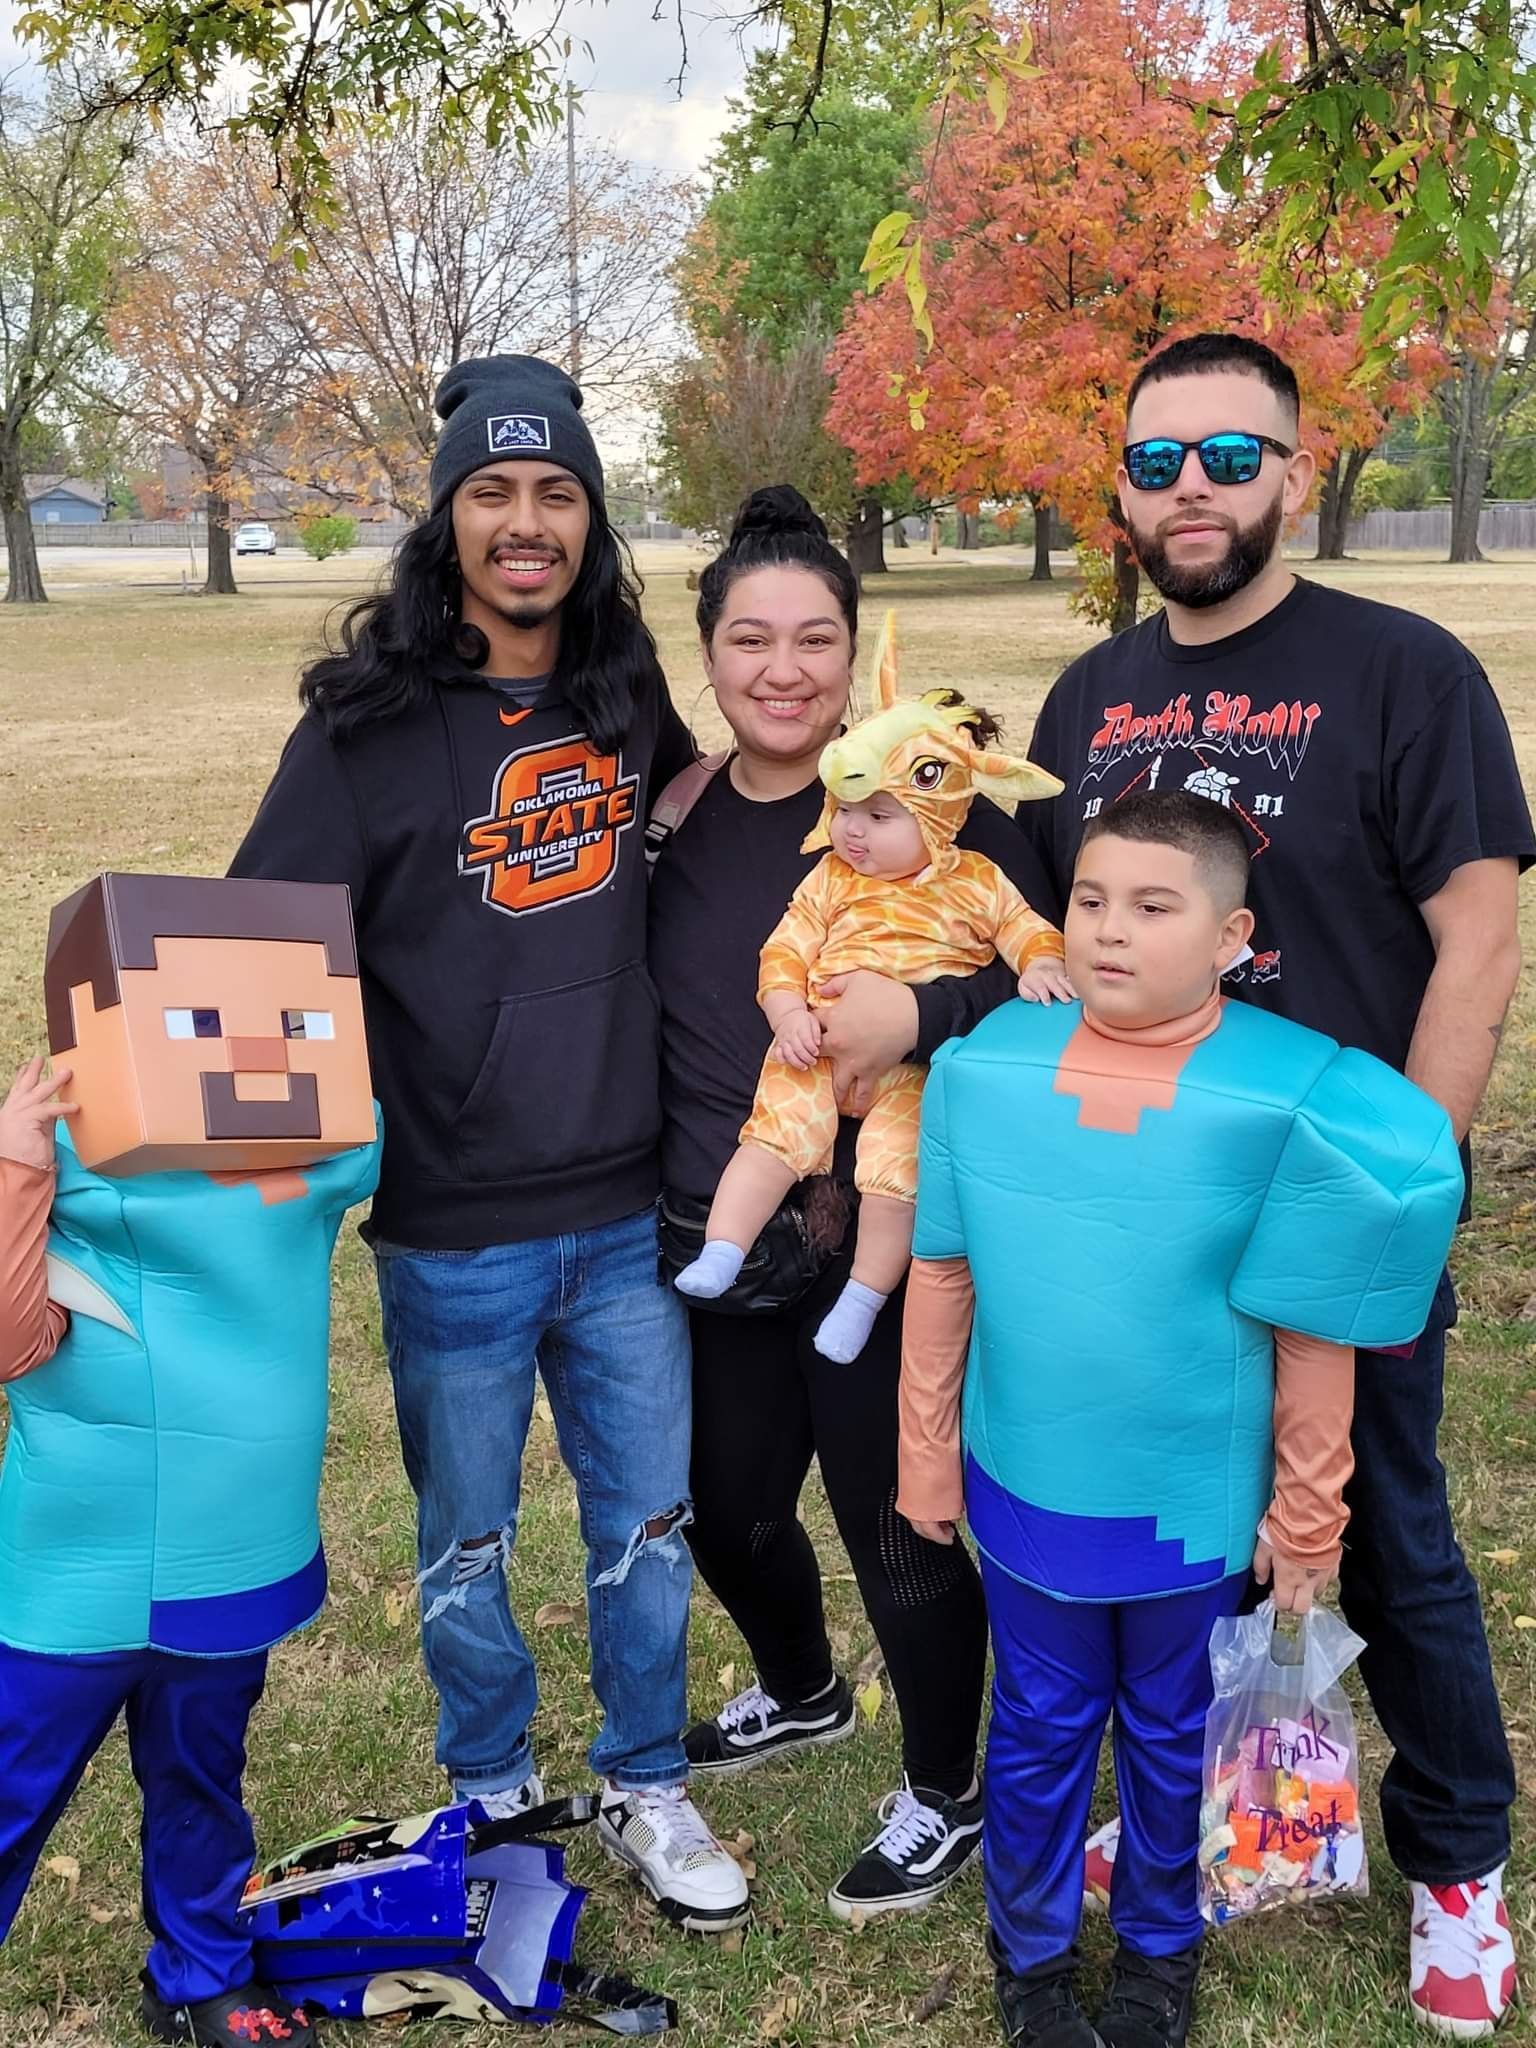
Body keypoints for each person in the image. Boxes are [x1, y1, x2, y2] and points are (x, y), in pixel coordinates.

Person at [1017, 331, 1533, 2038]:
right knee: (1188, 1548)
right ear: (1122, 490)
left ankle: (1457, 1869)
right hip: (1136, 1234)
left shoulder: (1404, 671)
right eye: (1158, 463)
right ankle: (1228, 1821)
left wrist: (1409, 1176)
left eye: (1230, 458)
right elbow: (1048, 951)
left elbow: (1474, 931)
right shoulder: (1089, 698)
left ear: (1297, 473)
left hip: (1326, 1210)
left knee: (1381, 1540)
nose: (1192, 492)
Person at [228, 354, 749, 1935]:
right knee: (463, 1543)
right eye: (494, 493)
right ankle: (495, 1788)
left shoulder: (623, 697)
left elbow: (725, 857)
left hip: (627, 1209)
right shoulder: (363, 727)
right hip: (451, 1219)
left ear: (589, 521)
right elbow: (260, 944)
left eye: (559, 495)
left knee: (647, 1526)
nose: (527, 524)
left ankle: (648, 1775)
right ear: (448, 518)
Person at [898, 793, 1464, 2048]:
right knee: (1039, 1724)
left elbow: (1317, 1331)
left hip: (1190, 1503)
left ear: (1232, 933)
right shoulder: (982, 1072)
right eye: (1091, 900)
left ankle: (1160, 1950)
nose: (1110, 932)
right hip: (1032, 1480)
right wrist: (926, 1452)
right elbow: (942, 1270)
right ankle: (1033, 1956)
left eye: (1155, 906)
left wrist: (1308, 1514)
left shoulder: (1295, 1096)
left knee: (1173, 1732)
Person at [649, 486, 1052, 1918]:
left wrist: (928, 1007)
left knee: (899, 1516)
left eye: (816, 637)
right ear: (705, 655)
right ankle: (803, 1689)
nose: (784, 669)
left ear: (854, 647)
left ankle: (945, 1786)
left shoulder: (928, 801)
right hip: (724, 1222)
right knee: (723, 1507)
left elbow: (1047, 971)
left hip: (887, 1225)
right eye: (750, 638)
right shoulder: (673, 815)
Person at [0, 871, 381, 2048]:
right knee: (15, 1775)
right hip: (83, 1547)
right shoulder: (73, 1145)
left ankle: (202, 1967)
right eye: (202, 1018)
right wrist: (17, 1162)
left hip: (234, 1534)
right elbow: (14, 1338)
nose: (253, 1044)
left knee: (204, 1767)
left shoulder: (324, 1148)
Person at [675, 613, 1069, 1361]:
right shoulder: (830, 875)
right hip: (814, 1048)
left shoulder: (976, 878)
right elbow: (784, 949)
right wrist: (787, 1011)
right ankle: (722, 1251)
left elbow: (1025, 930)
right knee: (771, 1138)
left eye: (880, 816)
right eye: (847, 813)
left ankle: (862, 1300)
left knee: (895, 1177)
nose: (855, 831)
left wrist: (1041, 962)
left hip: (908, 1075)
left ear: (938, 822)